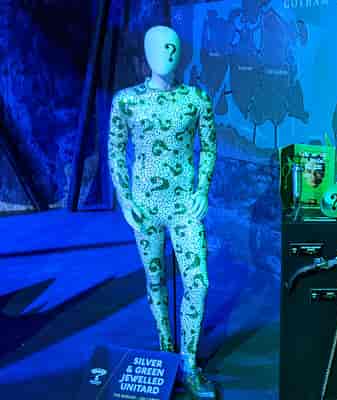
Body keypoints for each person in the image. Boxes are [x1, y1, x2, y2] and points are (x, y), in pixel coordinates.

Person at [107, 25, 217, 398]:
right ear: (147, 51)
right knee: (155, 281)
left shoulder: (194, 99)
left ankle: (188, 363)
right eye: (160, 46)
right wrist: (125, 200)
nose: (168, 53)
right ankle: (167, 353)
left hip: (184, 204)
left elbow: (209, 147)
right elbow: (115, 151)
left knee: (197, 282)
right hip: (146, 206)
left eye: (173, 47)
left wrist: (201, 190)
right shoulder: (127, 101)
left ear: (179, 52)